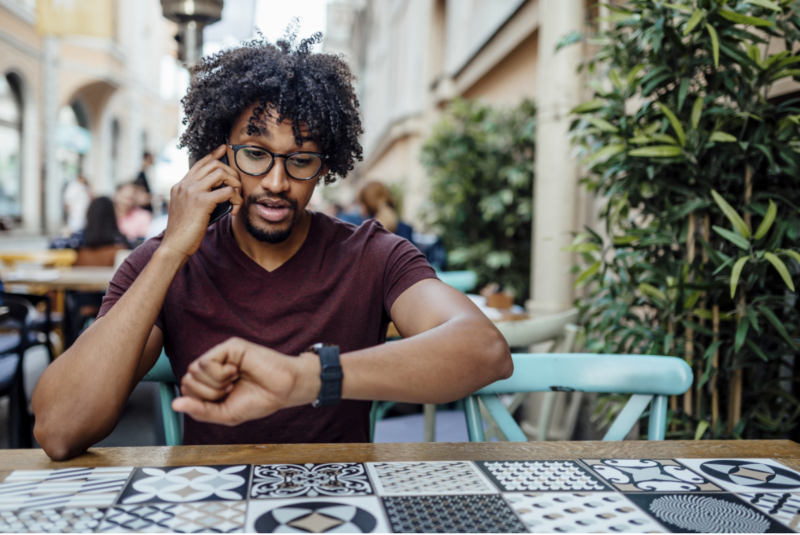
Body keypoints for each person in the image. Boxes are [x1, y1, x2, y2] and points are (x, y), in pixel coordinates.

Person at [32, 33, 511, 461]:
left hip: (343, 507)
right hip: (213, 506)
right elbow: (58, 430)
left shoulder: (371, 254)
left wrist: (307, 377)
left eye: (301, 159)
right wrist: (171, 251)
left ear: (325, 166)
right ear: (220, 153)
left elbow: (485, 350)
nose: (278, 182)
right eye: (257, 154)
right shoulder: (168, 261)